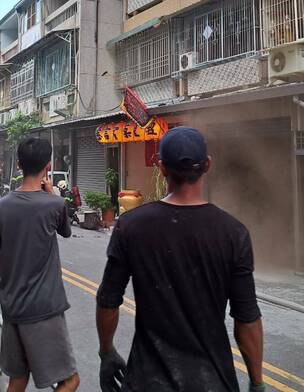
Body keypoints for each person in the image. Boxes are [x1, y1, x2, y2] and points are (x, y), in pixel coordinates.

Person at [95, 127, 265, 392]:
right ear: (207, 165)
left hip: (146, 381)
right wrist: (257, 383)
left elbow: (108, 300)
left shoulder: (131, 226)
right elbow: (247, 317)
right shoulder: (233, 232)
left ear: (162, 168)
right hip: (214, 381)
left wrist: (106, 353)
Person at [0, 138, 79, 392]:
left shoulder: (0, 207)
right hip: (43, 309)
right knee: (70, 380)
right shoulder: (55, 204)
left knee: (18, 379)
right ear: (48, 166)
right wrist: (52, 194)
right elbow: (66, 232)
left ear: (18, 165)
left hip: (11, 305)